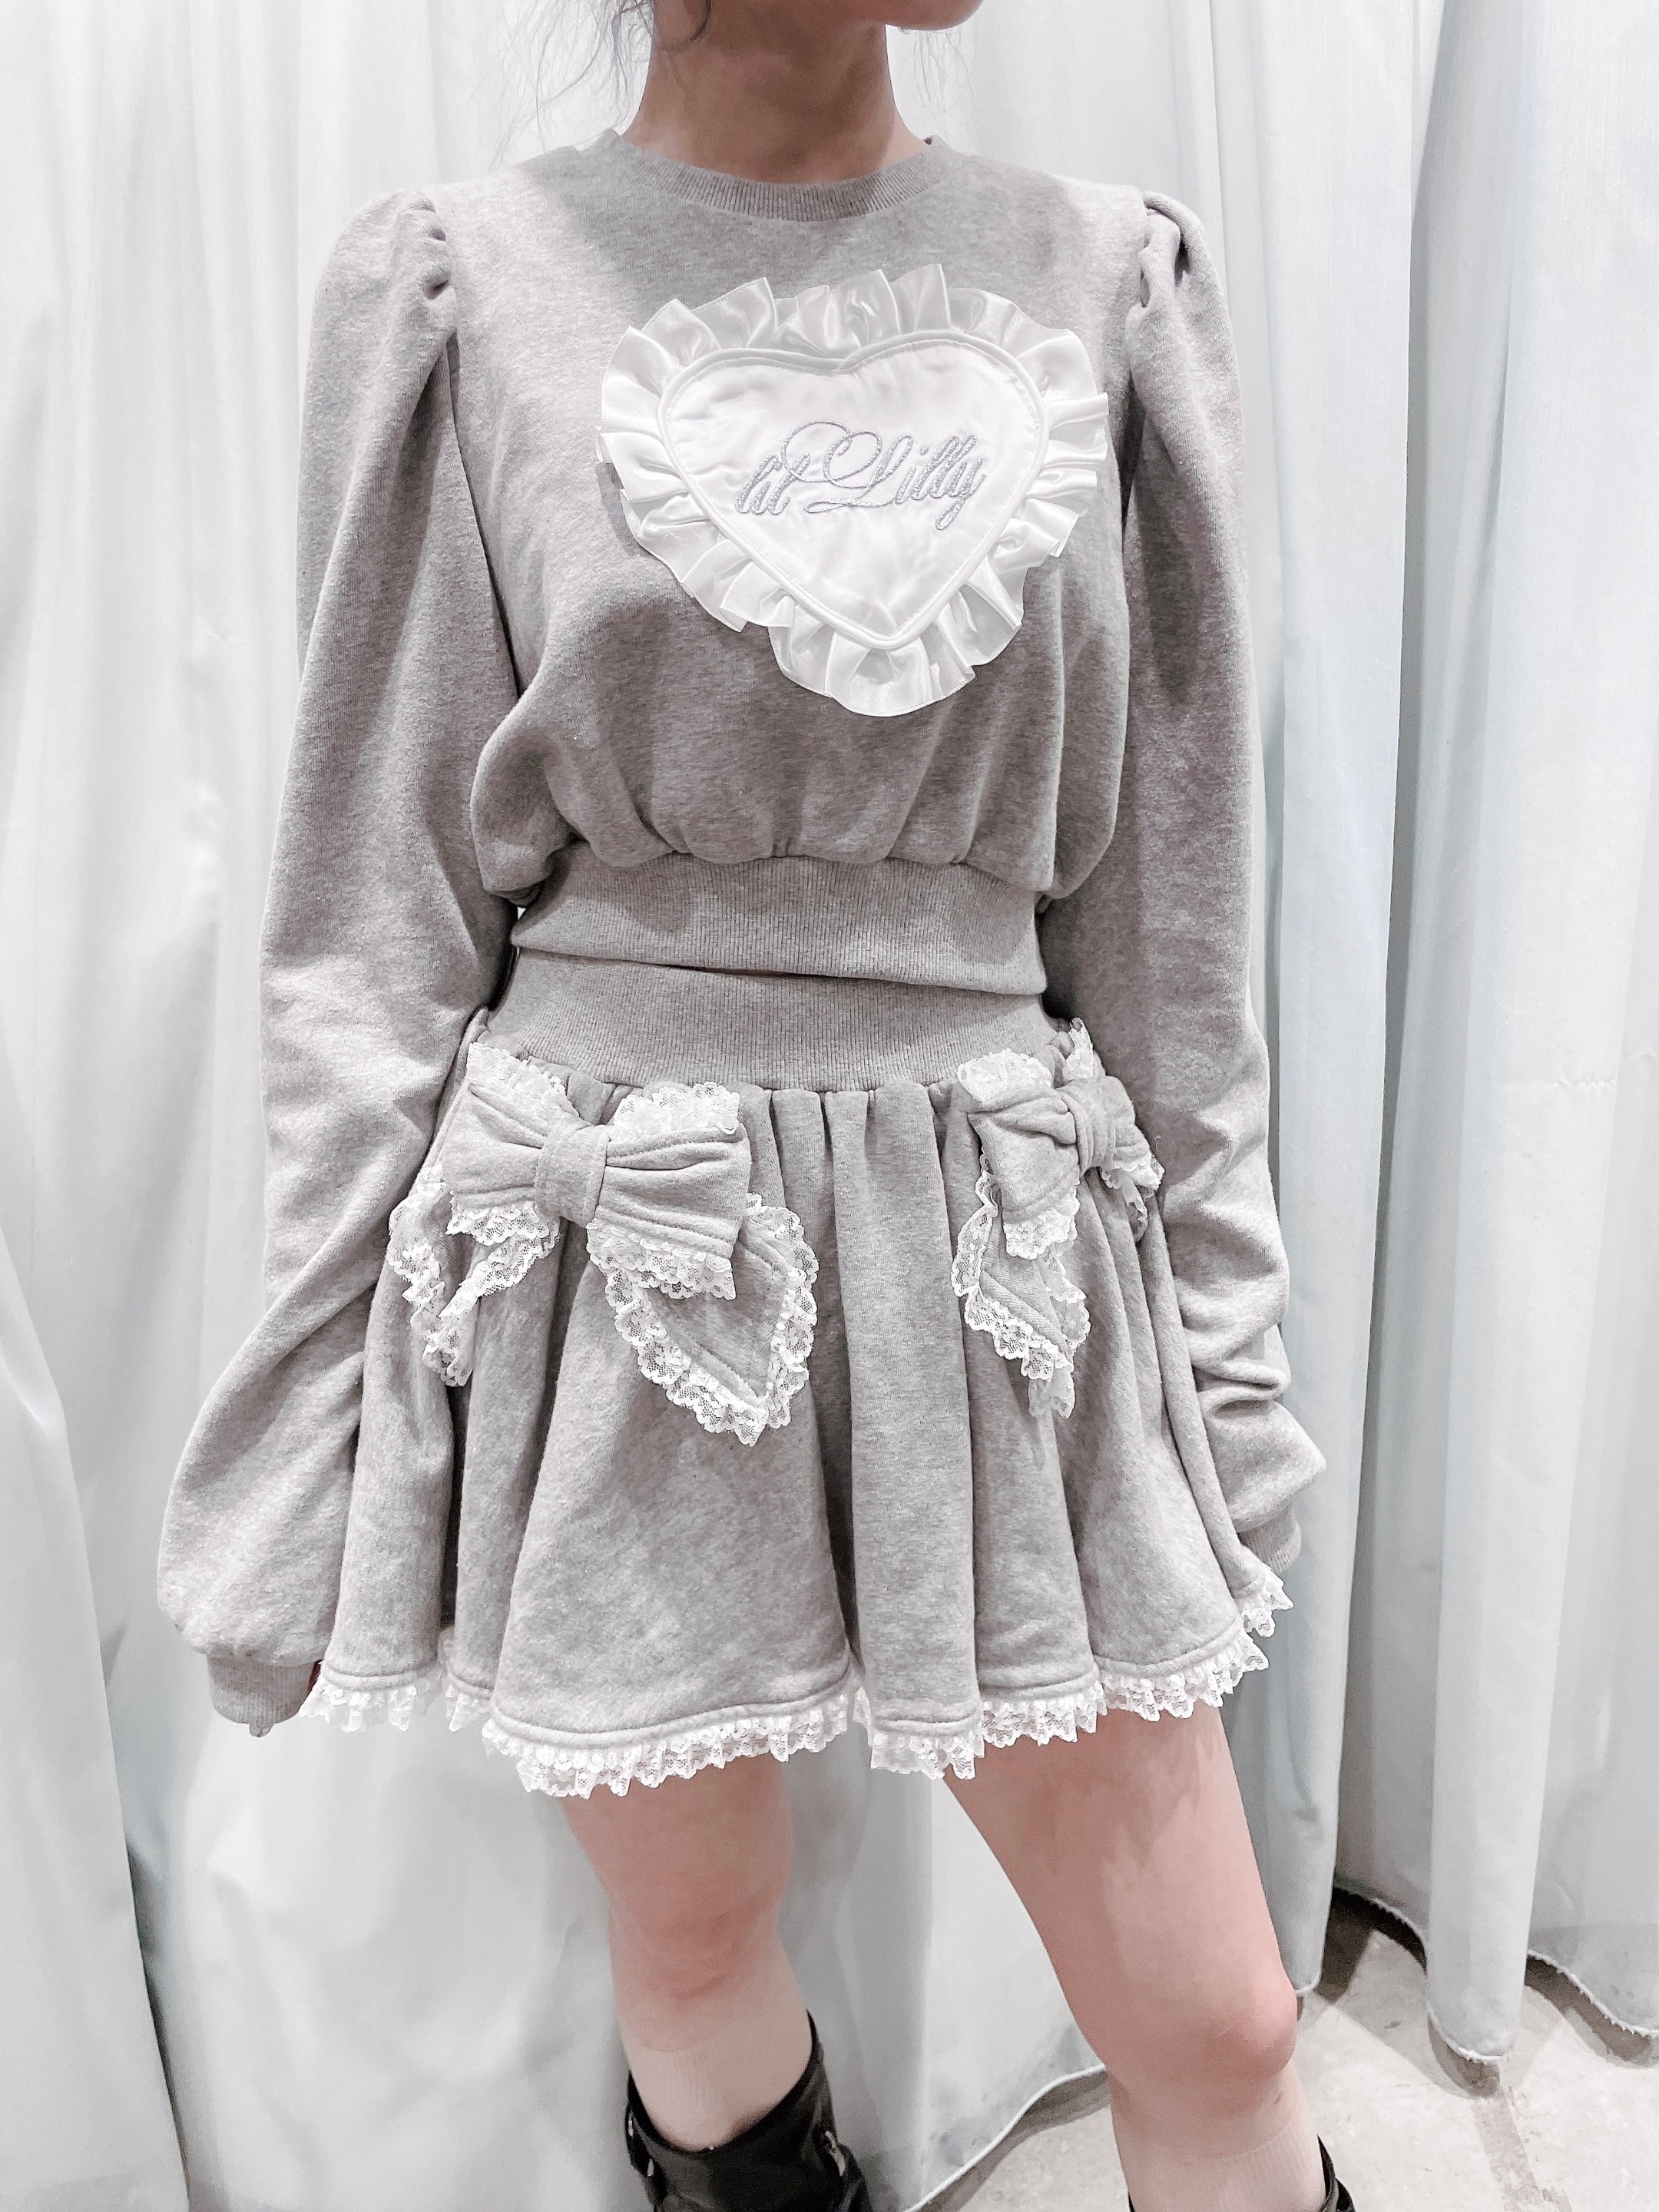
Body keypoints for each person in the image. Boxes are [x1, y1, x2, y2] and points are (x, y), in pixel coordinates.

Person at [155, 3, 1356, 2207]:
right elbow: (372, 917)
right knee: (698, 1930)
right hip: (630, 1241)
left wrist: (1229, 1365)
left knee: (1219, 2018)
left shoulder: (1106, 276)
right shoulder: (462, 287)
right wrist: (296, 1442)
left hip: (1000, 1247)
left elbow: (1175, 922)